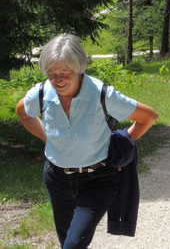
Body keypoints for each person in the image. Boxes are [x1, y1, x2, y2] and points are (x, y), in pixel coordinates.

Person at [15, 34, 158, 249]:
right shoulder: (42, 93)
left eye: (65, 73)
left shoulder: (102, 95)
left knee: (73, 245)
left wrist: (124, 139)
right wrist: (48, 137)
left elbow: (148, 116)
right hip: (57, 179)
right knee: (68, 244)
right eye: (52, 74)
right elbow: (23, 113)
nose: (58, 80)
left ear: (79, 68)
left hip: (98, 180)